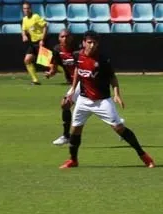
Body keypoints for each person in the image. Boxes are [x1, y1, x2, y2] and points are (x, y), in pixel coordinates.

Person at [59, 31, 155, 169]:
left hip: (102, 101)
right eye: (89, 42)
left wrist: (116, 94)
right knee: (75, 130)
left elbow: (113, 78)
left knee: (119, 128)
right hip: (84, 100)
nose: (92, 45)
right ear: (84, 42)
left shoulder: (103, 60)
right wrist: (73, 89)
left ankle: (144, 156)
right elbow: (77, 71)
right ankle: (73, 160)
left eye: (95, 43)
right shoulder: (77, 55)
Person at [45, 29, 78, 146]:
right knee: (97, 109)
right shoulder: (57, 50)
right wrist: (50, 73)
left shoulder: (78, 51)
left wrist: (74, 88)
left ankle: (66, 136)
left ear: (71, 38)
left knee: (65, 104)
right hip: (75, 84)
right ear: (59, 38)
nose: (65, 39)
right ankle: (119, 124)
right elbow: (54, 68)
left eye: (67, 36)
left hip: (83, 82)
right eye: (62, 37)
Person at [20, 1, 47, 85]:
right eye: (24, 8)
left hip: (40, 42)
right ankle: (35, 80)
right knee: (27, 60)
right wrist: (24, 35)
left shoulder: (35, 17)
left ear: (31, 9)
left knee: (50, 63)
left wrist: (42, 40)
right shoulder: (24, 19)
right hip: (33, 43)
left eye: (28, 8)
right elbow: (23, 30)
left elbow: (45, 26)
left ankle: (68, 75)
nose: (26, 10)